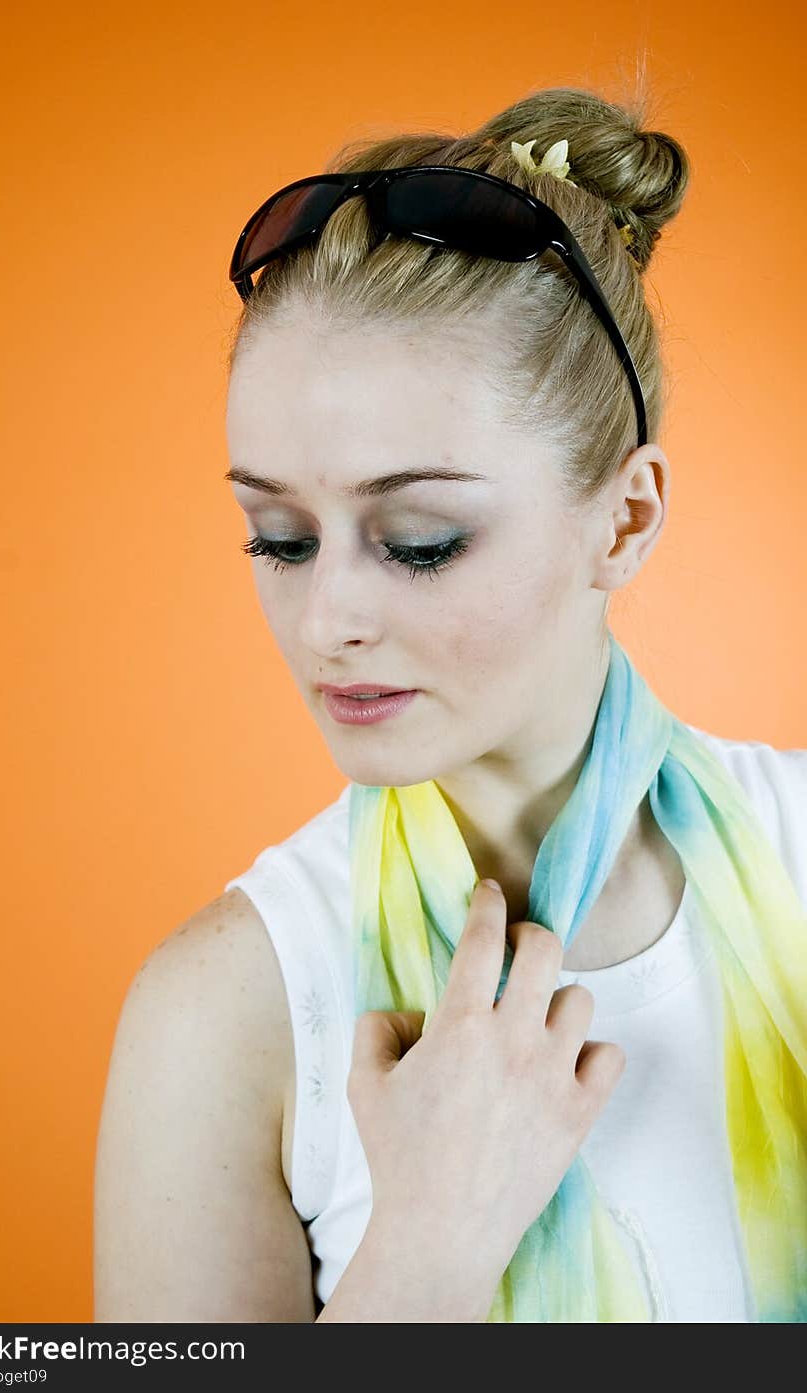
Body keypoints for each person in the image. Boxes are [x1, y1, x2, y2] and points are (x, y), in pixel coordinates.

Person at [92, 84, 807, 1323]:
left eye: (417, 540)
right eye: (277, 537)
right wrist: (423, 1250)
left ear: (625, 518)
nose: (327, 624)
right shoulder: (229, 1015)